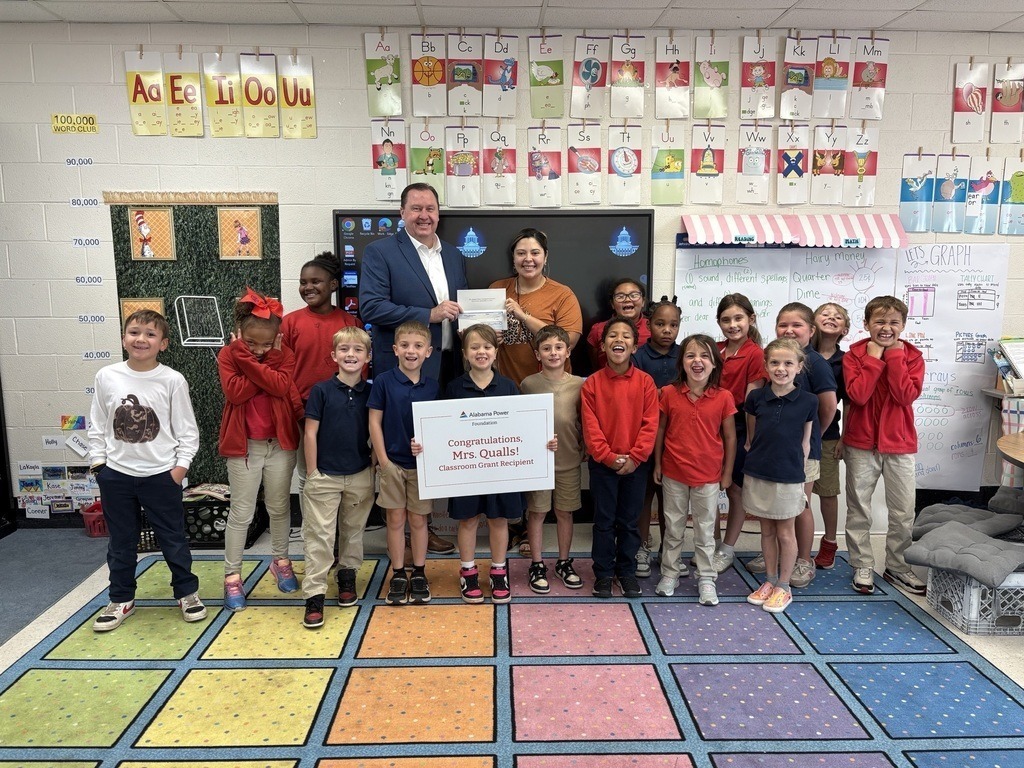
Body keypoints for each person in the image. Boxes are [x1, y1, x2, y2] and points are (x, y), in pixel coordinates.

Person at [87, 309, 206, 631]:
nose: (141, 339)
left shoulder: (172, 380)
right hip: (116, 475)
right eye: (134, 332)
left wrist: (179, 470)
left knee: (173, 539)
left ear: (163, 344)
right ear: (123, 338)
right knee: (121, 543)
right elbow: (98, 424)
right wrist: (99, 465)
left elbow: (187, 430)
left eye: (150, 334)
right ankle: (121, 599)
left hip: (161, 475)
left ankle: (187, 593)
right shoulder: (106, 376)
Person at [218, 289, 304, 611]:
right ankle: (232, 576)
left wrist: (259, 366)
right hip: (244, 448)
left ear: (278, 338)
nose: (258, 350)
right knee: (242, 513)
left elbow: (281, 387)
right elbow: (236, 393)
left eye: (266, 344)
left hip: (279, 446)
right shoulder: (229, 356)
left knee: (279, 508)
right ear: (239, 334)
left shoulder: (285, 356)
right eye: (251, 343)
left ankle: (281, 561)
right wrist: (248, 359)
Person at [433, 325, 531, 604]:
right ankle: (468, 571)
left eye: (487, 347)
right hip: (467, 471)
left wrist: (542, 443)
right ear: (464, 353)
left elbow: (521, 429)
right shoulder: (454, 388)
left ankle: (499, 571)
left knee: (499, 520)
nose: (481, 352)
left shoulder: (509, 387)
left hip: (501, 470)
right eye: (474, 347)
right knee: (468, 520)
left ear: (496, 352)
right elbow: (442, 429)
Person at [746, 303, 836, 589]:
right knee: (774, 512)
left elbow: (827, 408)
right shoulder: (775, 361)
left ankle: (803, 560)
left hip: (801, 454)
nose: (789, 330)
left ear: (811, 329)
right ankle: (774, 560)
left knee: (799, 507)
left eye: (796, 325)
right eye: (783, 324)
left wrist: (807, 441)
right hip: (772, 456)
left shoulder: (816, 363)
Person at [843, 296, 926, 596]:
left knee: (903, 511)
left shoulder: (912, 357)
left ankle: (897, 565)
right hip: (861, 444)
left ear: (903, 325)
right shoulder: (854, 356)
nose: (886, 327)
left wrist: (893, 358)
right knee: (859, 510)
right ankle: (862, 564)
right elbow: (858, 395)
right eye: (879, 321)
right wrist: (873, 359)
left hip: (900, 444)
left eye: (893, 322)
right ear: (866, 324)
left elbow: (904, 396)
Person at [300, 326, 375, 629]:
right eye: (344, 349)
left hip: (360, 474)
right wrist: (312, 472)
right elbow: (310, 432)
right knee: (319, 535)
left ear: (368, 357)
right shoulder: (321, 391)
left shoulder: (371, 392)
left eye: (358, 349)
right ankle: (314, 593)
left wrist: (372, 467)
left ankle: (347, 575)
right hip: (325, 476)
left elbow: (376, 430)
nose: (350, 354)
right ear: (333, 355)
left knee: (353, 531)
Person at [653, 334, 736, 605]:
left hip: (708, 476)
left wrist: (727, 473)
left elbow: (730, 438)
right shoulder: (668, 393)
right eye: (690, 355)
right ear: (681, 363)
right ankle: (670, 572)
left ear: (715, 364)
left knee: (705, 530)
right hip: (673, 472)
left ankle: (706, 578)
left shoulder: (723, 397)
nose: (697, 361)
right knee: (673, 527)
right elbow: (660, 430)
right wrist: (658, 464)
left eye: (704, 356)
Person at [581, 316, 659, 599]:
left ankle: (626, 572)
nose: (619, 340)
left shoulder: (646, 383)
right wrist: (608, 457)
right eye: (612, 335)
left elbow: (650, 425)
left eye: (626, 336)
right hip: (603, 466)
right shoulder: (592, 384)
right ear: (603, 345)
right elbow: (591, 427)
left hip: (636, 466)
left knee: (629, 521)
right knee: (604, 521)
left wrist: (635, 458)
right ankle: (603, 573)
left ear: (635, 347)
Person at [360, 182, 468, 385]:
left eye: (430, 209)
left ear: (438, 213)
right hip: (403, 369)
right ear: (402, 212)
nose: (424, 216)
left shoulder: (453, 254)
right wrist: (429, 315)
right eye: (416, 209)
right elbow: (372, 308)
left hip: (451, 366)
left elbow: (463, 306)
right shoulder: (380, 252)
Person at [743, 339, 819, 614]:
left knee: (785, 532)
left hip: (789, 475)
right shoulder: (755, 398)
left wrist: (797, 474)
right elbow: (751, 437)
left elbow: (806, 443)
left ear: (799, 367)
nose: (781, 368)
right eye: (774, 362)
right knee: (766, 531)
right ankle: (770, 580)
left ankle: (784, 586)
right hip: (759, 472)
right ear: (765, 366)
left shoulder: (808, 401)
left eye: (788, 363)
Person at [368, 321, 441, 606]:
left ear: (428, 351)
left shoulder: (433, 387)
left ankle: (419, 572)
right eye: (406, 345)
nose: (412, 351)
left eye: (418, 346)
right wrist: (384, 461)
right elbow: (374, 422)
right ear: (395, 349)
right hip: (393, 464)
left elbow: (437, 427)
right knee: (395, 520)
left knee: (419, 520)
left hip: (421, 467)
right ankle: (398, 573)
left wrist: (428, 447)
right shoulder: (383, 381)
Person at [520, 325, 586, 593]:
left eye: (559, 347)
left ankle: (563, 561)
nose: (553, 353)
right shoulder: (528, 385)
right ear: (538, 354)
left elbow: (586, 421)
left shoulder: (580, 384)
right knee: (537, 512)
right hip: (539, 465)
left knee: (565, 512)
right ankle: (537, 564)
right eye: (546, 348)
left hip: (569, 462)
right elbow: (521, 426)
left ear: (568, 351)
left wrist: (585, 446)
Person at [711, 294, 765, 572]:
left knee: (734, 489)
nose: (732, 325)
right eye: (726, 320)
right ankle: (711, 543)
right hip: (709, 427)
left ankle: (727, 549)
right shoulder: (715, 350)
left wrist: (751, 440)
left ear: (751, 319)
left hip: (739, 426)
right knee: (708, 487)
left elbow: (752, 402)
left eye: (738, 318)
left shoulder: (755, 354)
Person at [491, 228, 583, 386]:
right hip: (508, 388)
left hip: (552, 387)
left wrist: (524, 317)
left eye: (535, 253)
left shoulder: (563, 294)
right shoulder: (497, 289)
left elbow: (569, 342)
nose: (528, 259)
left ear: (545, 257)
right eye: (521, 253)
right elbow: (481, 337)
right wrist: (489, 337)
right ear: (513, 258)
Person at [631, 296, 682, 578]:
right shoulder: (638, 357)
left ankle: (668, 551)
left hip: (676, 439)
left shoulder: (685, 354)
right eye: (660, 324)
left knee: (670, 500)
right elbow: (635, 395)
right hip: (645, 436)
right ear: (648, 325)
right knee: (644, 495)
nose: (667, 330)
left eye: (673, 325)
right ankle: (641, 546)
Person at [811, 302, 850, 570]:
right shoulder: (801, 353)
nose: (831, 318)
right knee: (796, 495)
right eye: (825, 314)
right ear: (812, 323)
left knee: (827, 491)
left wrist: (844, 437)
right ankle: (793, 544)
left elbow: (849, 402)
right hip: (795, 434)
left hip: (828, 435)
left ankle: (829, 543)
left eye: (837, 316)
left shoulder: (845, 362)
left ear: (844, 329)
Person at [587, 278, 652, 370]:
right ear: (612, 304)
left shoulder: (652, 328)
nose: (627, 300)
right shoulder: (598, 329)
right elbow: (594, 363)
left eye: (634, 295)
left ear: (643, 302)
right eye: (620, 296)